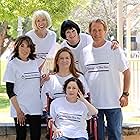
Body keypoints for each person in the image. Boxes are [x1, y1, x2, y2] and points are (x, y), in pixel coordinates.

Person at [80, 19, 131, 140]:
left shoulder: (114, 49)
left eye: (99, 30)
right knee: (97, 137)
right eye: (94, 30)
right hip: (93, 104)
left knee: (115, 136)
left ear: (105, 31)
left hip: (113, 102)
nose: (97, 33)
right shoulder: (84, 52)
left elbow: (127, 72)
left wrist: (125, 94)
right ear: (89, 32)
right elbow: (81, 75)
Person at [3, 35, 43, 140]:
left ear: (31, 48)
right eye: (22, 46)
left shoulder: (34, 62)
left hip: (35, 107)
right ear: (17, 47)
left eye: (28, 46)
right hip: (20, 107)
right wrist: (18, 111)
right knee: (21, 137)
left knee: (36, 136)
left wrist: (44, 80)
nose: (25, 49)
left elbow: (34, 84)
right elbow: (9, 91)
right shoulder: (12, 64)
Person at [41, 47, 89, 111]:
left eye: (67, 58)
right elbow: (45, 104)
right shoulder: (50, 79)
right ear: (57, 61)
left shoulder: (79, 77)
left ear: (71, 61)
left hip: (76, 117)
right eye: (61, 58)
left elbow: (86, 98)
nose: (64, 60)